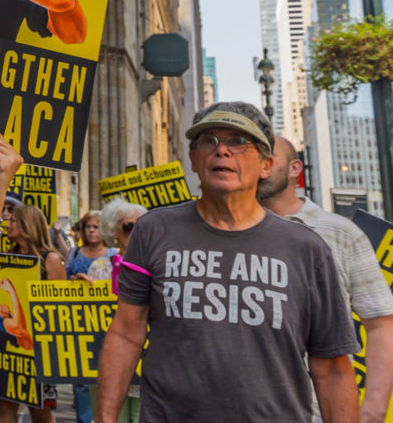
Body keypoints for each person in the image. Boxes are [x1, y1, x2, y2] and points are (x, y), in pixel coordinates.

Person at [97, 102, 361, 422]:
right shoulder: (153, 230)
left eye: (238, 141)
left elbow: (332, 368)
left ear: (266, 165)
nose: (222, 150)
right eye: (208, 140)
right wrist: (105, 419)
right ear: (193, 160)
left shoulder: (307, 249)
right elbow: (126, 334)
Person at [259, 135, 393, 423]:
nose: (260, 165)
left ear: (295, 168)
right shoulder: (221, 233)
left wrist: (373, 409)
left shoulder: (341, 233)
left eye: (269, 157)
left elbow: (382, 324)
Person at [0, 202, 65, 423]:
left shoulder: (50, 259)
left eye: (13, 220)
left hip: (39, 351)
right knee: (3, 405)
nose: (8, 223)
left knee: (40, 412)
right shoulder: (7, 256)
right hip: (8, 346)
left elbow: (58, 309)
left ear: (27, 225)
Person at [94, 198, 147, 423]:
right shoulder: (100, 267)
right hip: (108, 358)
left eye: (142, 225)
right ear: (113, 230)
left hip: (145, 363)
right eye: (128, 226)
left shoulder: (155, 265)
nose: (136, 231)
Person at [66, 211, 116, 423]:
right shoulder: (75, 252)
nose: (92, 230)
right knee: (80, 378)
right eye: (88, 227)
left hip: (105, 323)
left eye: (96, 226)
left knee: (102, 376)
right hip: (78, 320)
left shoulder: (114, 255)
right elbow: (62, 283)